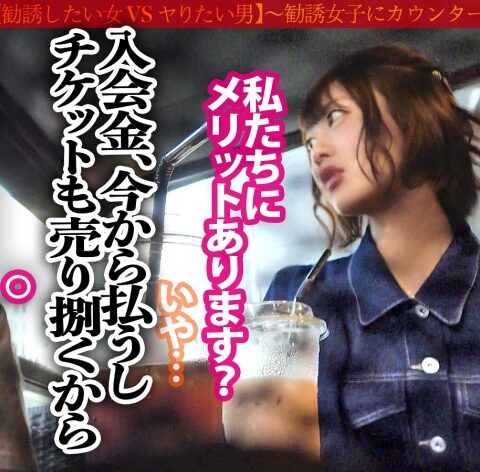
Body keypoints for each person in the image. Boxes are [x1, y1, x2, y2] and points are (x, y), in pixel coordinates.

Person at [265, 44, 480, 472]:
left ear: (413, 114)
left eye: (334, 117)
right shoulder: (298, 301)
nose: (317, 151)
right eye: (308, 141)